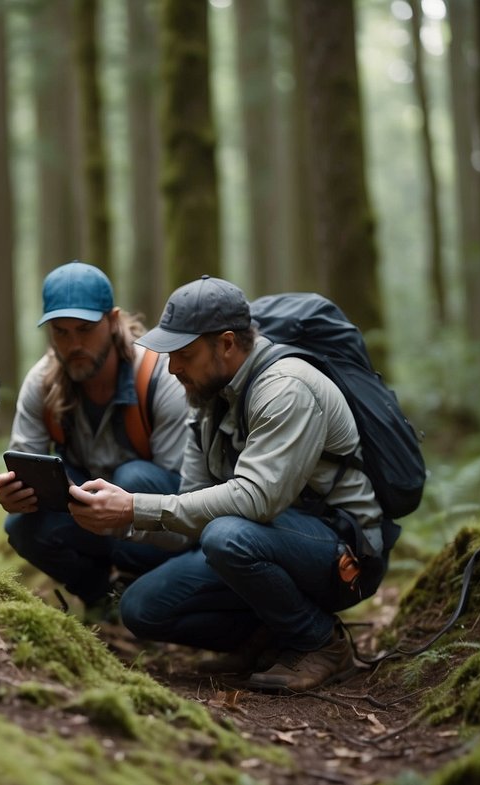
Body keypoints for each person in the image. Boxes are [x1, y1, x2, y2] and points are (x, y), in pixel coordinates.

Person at [66, 276, 386, 692]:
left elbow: (256, 500)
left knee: (226, 535)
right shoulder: (207, 399)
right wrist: (116, 521)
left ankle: (320, 642)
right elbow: (190, 507)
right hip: (267, 540)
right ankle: (269, 637)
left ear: (228, 344)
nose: (173, 367)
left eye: (184, 354)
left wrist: (135, 508)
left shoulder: (286, 388)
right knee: (142, 609)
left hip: (344, 550)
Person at [0, 262, 190, 620]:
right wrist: (15, 495)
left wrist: (127, 507)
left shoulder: (159, 376)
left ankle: (145, 590)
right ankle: (102, 598)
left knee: (134, 478)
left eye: (85, 330)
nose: (74, 345)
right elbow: (26, 464)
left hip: (163, 529)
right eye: (61, 332)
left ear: (113, 320)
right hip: (88, 519)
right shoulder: (42, 382)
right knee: (21, 527)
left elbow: (187, 500)